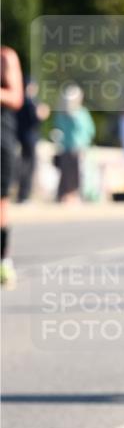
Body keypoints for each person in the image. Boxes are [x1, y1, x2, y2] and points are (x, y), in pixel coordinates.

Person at [1, 45, 24, 286]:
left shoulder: (6, 57)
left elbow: (16, 97)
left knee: (1, 202)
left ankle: (3, 261)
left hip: (1, 139)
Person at [52, 84, 96, 203]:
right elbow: (58, 129)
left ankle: (76, 196)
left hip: (78, 149)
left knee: (77, 176)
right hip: (65, 149)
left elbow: (90, 130)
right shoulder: (61, 114)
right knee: (66, 175)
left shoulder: (82, 113)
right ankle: (64, 196)